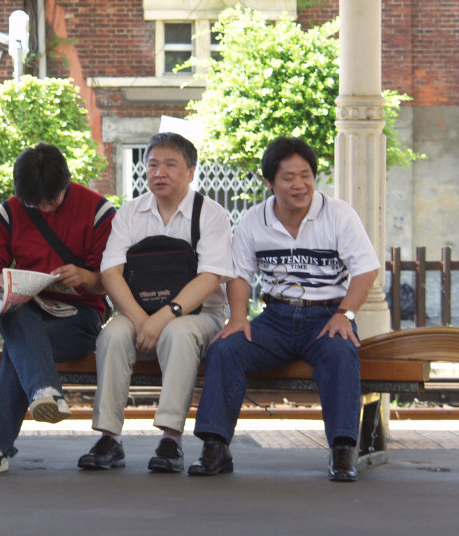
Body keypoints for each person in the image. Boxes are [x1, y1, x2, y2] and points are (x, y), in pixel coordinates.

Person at [187, 137, 380, 482]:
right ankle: (215, 447)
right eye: (289, 177)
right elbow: (240, 275)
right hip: (274, 320)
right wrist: (238, 317)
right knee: (225, 348)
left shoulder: (338, 215)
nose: (299, 184)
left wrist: (345, 314)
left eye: (305, 175)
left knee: (341, 354)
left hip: (326, 318)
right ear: (269, 182)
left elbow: (366, 268)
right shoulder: (252, 220)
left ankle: (342, 450)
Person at [77, 132, 234, 473]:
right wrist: (138, 318)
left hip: (198, 316)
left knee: (178, 334)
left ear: (191, 172)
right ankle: (109, 439)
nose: (159, 173)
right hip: (139, 314)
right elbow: (111, 272)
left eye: (170, 165)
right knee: (112, 335)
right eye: (152, 165)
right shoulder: (131, 213)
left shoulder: (210, 214)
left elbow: (210, 278)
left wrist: (163, 317)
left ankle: (171, 439)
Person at [0, 143, 115, 476]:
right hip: (26, 311)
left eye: (53, 200)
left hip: (79, 320)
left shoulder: (98, 211)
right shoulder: (9, 213)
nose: (45, 209)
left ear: (67, 183)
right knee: (15, 314)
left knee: (18, 351)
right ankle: (44, 392)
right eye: (36, 203)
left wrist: (85, 277)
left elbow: (110, 281)